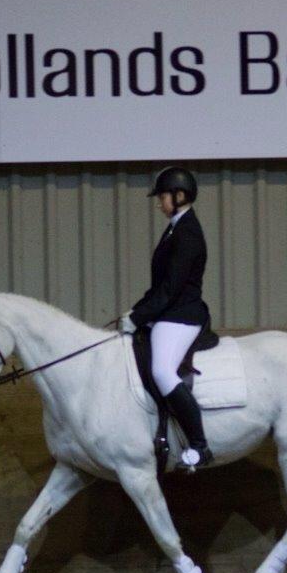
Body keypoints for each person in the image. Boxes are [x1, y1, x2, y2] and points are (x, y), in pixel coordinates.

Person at [119, 166, 214, 472]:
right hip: (169, 311)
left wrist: (140, 316)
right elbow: (160, 287)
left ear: (180, 195)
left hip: (182, 314)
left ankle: (200, 445)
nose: (159, 202)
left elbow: (172, 288)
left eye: (162, 196)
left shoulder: (187, 232)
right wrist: (135, 313)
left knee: (162, 371)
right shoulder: (175, 227)